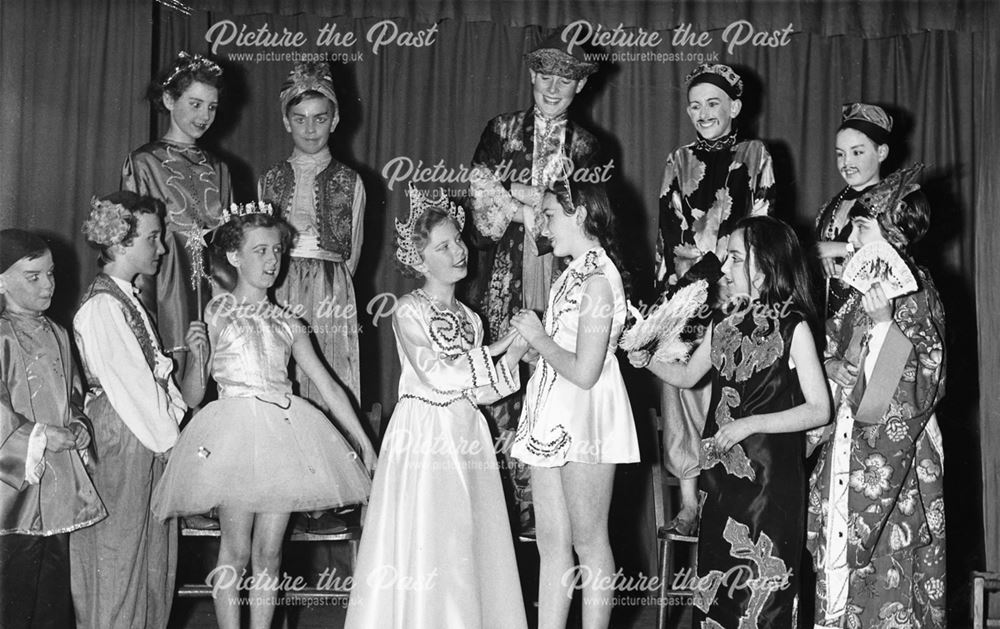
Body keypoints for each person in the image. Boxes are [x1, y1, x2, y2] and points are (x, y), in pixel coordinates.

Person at [151, 203, 375, 629]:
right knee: (235, 550)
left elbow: (330, 386)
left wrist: (364, 443)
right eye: (260, 252)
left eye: (277, 251)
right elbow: (194, 396)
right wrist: (198, 359)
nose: (272, 261)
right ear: (235, 257)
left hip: (282, 436)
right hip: (234, 437)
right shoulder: (216, 313)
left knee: (269, 553)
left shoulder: (289, 323)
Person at [345, 186, 528, 629]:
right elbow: (438, 375)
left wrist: (521, 351)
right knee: (430, 536)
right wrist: (502, 345)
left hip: (466, 433)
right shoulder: (408, 310)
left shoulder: (472, 318)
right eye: (443, 246)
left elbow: (480, 391)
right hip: (423, 434)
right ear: (420, 259)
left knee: (465, 539)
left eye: (458, 241)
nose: (458, 251)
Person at [632, 216, 828, 627]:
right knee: (718, 594)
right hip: (721, 483)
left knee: (762, 599)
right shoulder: (723, 324)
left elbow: (818, 409)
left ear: (764, 266)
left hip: (769, 488)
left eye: (736, 258)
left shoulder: (795, 327)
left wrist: (747, 424)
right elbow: (687, 376)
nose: (725, 268)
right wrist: (643, 355)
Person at [467, 30, 603, 535]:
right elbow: (482, 208)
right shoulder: (500, 130)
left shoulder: (590, 147)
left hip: (564, 282)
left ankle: (550, 518)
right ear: (531, 75)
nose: (552, 88)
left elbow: (582, 219)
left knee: (556, 382)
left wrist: (518, 195)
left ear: (580, 88)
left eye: (565, 80)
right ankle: (501, 517)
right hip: (503, 277)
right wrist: (541, 202)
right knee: (501, 386)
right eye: (545, 75)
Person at [807, 164, 946, 628]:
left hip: (895, 450)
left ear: (890, 233)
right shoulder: (857, 290)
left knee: (889, 565)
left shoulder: (918, 290)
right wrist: (828, 365)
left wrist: (886, 324)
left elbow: (924, 379)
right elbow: (831, 352)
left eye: (863, 226)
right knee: (836, 565)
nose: (851, 234)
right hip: (846, 440)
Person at [71, 192, 207, 629]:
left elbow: (155, 386)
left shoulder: (129, 301)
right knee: (118, 556)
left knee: (151, 558)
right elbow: (132, 391)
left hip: (143, 435)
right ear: (120, 243)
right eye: (153, 238)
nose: (162, 249)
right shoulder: (102, 306)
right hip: (123, 437)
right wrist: (174, 444)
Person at [509, 181, 639, 629]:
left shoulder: (600, 279)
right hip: (551, 411)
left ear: (579, 213)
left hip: (586, 415)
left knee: (589, 540)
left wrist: (540, 339)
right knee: (551, 541)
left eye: (549, 214)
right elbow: (565, 348)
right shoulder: (572, 272)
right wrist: (537, 348)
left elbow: (586, 372)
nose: (543, 225)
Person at [655, 63, 774, 536]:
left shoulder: (756, 153)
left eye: (714, 104)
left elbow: (760, 222)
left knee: (732, 390)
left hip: (739, 291)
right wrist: (676, 296)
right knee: (679, 386)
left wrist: (729, 272)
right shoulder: (677, 160)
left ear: (735, 107)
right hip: (686, 290)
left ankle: (730, 497)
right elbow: (670, 231)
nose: (703, 113)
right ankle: (688, 504)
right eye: (696, 105)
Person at [0, 229, 106, 628]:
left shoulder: (58, 333)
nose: (48, 285)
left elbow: (74, 394)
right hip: (11, 492)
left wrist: (78, 424)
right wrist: (40, 436)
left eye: (51, 274)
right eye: (33, 276)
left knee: (54, 592)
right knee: (13, 589)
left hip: (57, 487)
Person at [259, 61, 365, 410]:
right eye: (300, 118)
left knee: (329, 375)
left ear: (334, 120)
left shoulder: (351, 181)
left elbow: (353, 253)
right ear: (286, 121)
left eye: (319, 118)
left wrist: (330, 287)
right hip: (280, 286)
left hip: (329, 289)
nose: (310, 128)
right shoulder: (269, 179)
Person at [122, 50, 232, 373]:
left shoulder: (220, 169)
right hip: (165, 293)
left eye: (211, 107)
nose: (204, 116)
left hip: (215, 294)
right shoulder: (143, 163)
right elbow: (132, 242)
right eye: (195, 104)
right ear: (170, 100)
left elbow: (230, 244)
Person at [815, 102, 895, 317]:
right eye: (840, 154)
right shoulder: (830, 206)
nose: (846, 162)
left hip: (874, 311)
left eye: (857, 152)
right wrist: (821, 257)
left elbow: (893, 259)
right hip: (829, 315)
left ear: (881, 152)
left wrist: (834, 249)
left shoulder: (893, 203)